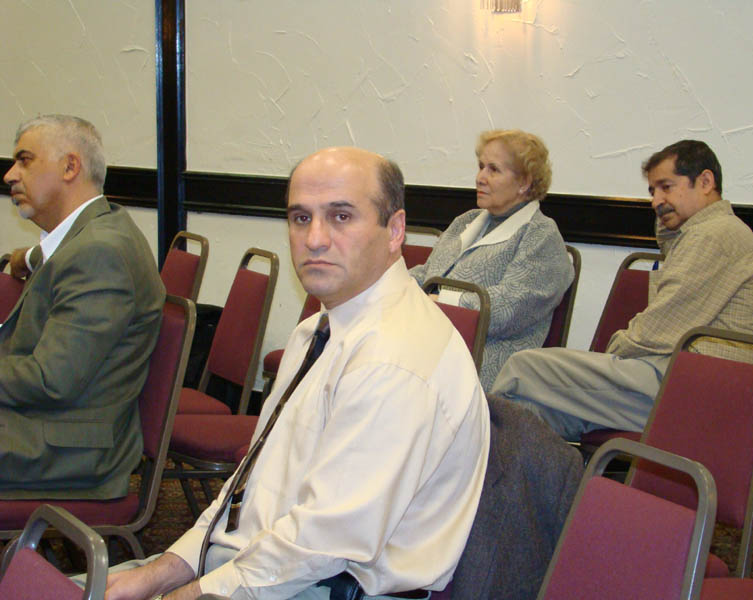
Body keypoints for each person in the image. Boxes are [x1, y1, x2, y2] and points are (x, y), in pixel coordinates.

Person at [103, 147, 490, 600]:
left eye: (341, 216)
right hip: (263, 567)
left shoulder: (395, 360)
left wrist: (182, 596)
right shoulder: (319, 330)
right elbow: (248, 488)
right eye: (301, 218)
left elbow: (321, 546)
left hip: (328, 587)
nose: (315, 239)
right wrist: (161, 573)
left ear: (395, 230)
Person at [491, 139, 753, 441]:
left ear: (705, 182)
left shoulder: (717, 234)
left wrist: (613, 351)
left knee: (523, 367)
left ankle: (479, 460)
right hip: (676, 377)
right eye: (653, 191)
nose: (656, 201)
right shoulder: (699, 234)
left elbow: (659, 329)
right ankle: (550, 471)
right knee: (528, 411)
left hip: (701, 390)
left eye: (666, 187)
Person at [0, 114, 165, 498]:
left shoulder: (99, 253)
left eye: (24, 160)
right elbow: (55, 259)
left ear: (70, 167)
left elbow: (50, 380)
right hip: (50, 424)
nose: (10, 175)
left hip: (66, 446)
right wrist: (28, 258)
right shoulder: (97, 229)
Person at [409, 129, 573, 389]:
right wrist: (391, 285)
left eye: (493, 170)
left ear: (524, 182)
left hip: (481, 369)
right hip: (429, 345)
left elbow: (506, 309)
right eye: (481, 167)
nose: (480, 178)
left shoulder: (541, 236)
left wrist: (440, 301)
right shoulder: (466, 220)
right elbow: (428, 273)